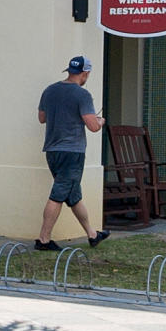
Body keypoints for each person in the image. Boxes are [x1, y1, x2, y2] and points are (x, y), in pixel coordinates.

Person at [35, 54, 107, 250]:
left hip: (52, 150)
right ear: (85, 73)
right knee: (58, 194)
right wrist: (100, 121)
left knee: (73, 195)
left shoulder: (49, 90)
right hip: (72, 152)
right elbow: (92, 126)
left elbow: (42, 118)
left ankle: (92, 234)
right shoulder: (82, 95)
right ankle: (43, 240)